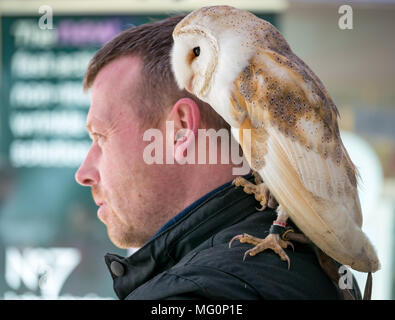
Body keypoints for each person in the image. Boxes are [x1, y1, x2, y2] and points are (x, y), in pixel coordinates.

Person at [75, 15, 361, 300]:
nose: (83, 172)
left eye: (100, 136)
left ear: (181, 130)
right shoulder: (298, 265)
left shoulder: (196, 295)